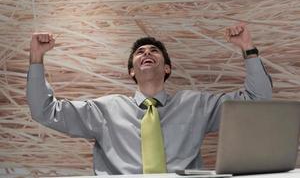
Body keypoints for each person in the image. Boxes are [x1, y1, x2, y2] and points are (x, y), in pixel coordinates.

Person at [26, 22, 272, 175]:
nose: (147, 53)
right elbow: (44, 111)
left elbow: (257, 99)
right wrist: (36, 59)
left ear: (166, 68)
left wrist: (248, 49)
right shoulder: (104, 110)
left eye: (154, 51)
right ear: (132, 71)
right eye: (140, 52)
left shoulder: (196, 105)